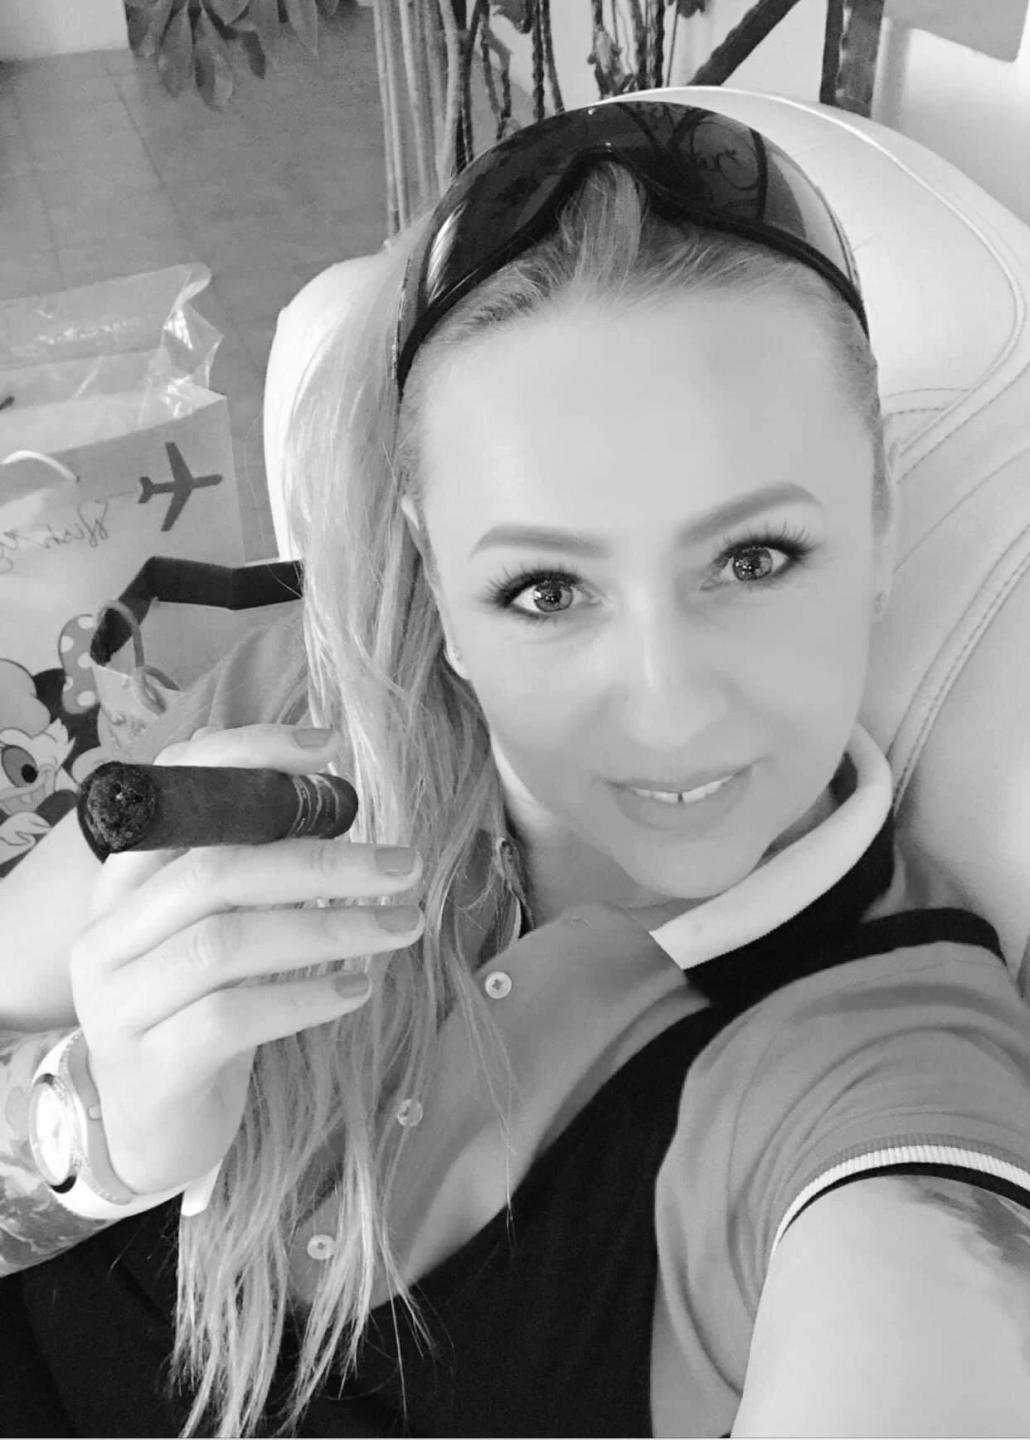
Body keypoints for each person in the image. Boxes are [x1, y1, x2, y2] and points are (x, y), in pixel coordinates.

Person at [2, 98, 1030, 1439]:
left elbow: (924, 1302)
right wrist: (89, 1140)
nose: (667, 708)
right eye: (545, 588)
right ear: (435, 576)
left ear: (881, 522)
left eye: (754, 558)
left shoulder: (873, 1072)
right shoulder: (283, 735)